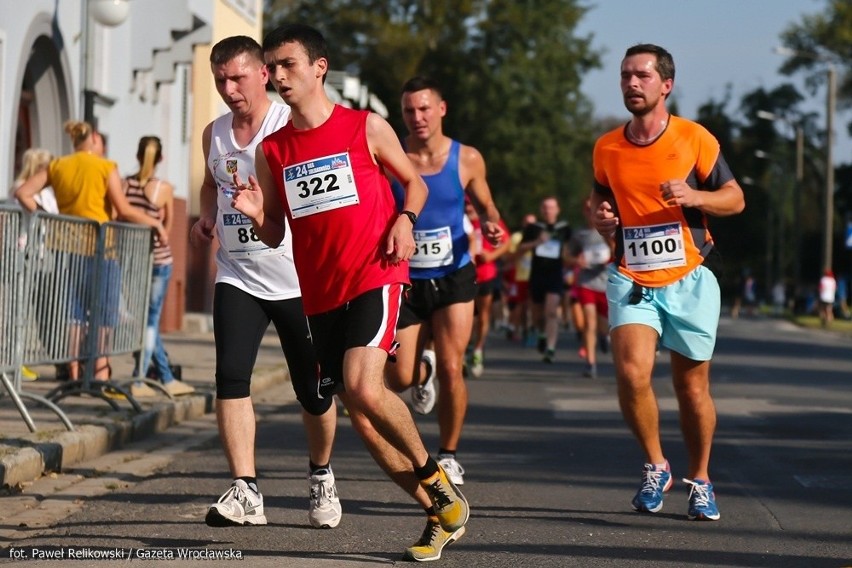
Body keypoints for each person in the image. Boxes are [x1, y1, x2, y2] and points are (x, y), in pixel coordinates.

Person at [232, 24, 469, 562]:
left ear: (320, 67)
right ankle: (441, 511)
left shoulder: (364, 126)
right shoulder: (273, 150)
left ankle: (436, 483)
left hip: (375, 273)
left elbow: (416, 182)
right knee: (363, 416)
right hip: (320, 294)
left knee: (365, 386)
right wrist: (255, 216)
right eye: (272, 67)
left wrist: (405, 219)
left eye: (288, 64)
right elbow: (275, 231)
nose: (278, 75)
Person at [189, 35, 341, 530]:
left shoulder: (288, 126)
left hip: (298, 280)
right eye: (220, 80)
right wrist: (206, 217)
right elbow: (211, 183)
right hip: (237, 274)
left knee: (313, 392)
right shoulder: (213, 133)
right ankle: (246, 489)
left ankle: (320, 474)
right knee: (231, 377)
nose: (229, 88)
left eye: (237, 77)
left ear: (262, 74)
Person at [590, 43, 745, 521]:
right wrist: (600, 219)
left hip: (691, 275)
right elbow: (597, 201)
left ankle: (701, 477)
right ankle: (656, 464)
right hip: (632, 275)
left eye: (642, 76)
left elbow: (735, 199)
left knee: (690, 388)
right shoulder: (607, 146)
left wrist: (695, 194)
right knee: (632, 372)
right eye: (625, 76)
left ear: (666, 85)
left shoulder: (694, 138)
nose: (632, 84)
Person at [386, 75, 504, 486]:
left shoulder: (467, 158)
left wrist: (490, 225)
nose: (416, 117)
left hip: (454, 272)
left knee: (454, 366)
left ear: (441, 109)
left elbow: (487, 207)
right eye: (408, 111)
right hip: (405, 278)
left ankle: (449, 455)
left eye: (424, 108)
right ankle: (423, 373)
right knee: (398, 378)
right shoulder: (391, 156)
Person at [16, 121, 169, 382]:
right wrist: (155, 223)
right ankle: (98, 374)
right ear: (95, 138)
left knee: (74, 315)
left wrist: (48, 217)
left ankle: (75, 374)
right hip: (102, 248)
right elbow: (123, 209)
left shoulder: (57, 165)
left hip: (65, 249)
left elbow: (23, 192)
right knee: (104, 314)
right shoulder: (105, 166)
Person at [123, 136, 194, 398]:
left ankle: (159, 376)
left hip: (132, 260)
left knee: (142, 321)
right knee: (150, 322)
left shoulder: (125, 185)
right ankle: (143, 379)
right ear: (161, 158)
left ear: (138, 155)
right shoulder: (164, 188)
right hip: (159, 260)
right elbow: (168, 227)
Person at [518, 196, 572, 363]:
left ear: (557, 210)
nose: (548, 211)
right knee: (537, 314)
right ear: (541, 210)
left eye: (551, 207)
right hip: (537, 274)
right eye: (545, 208)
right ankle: (541, 332)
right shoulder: (534, 228)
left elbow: (571, 249)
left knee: (551, 311)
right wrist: (537, 242)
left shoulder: (564, 228)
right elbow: (520, 248)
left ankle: (550, 348)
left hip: (555, 274)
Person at [564, 199, 612, 379]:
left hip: (606, 282)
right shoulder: (579, 234)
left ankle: (603, 336)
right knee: (589, 322)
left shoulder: (610, 230)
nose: (591, 212)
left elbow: (618, 252)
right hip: (586, 282)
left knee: (603, 324)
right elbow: (567, 255)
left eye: (594, 208)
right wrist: (576, 261)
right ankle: (590, 363)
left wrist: (609, 246)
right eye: (587, 209)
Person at [466, 199, 510, 378]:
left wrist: (491, 256)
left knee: (483, 315)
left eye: (471, 205)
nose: (469, 208)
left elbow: (506, 243)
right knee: (468, 318)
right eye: (466, 205)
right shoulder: (460, 219)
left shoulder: (489, 219)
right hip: (465, 276)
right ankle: (464, 348)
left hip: (486, 275)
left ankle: (478, 350)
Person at [505, 213, 537, 345]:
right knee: (521, 305)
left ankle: (533, 329)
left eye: (532, 223)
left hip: (537, 276)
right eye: (527, 223)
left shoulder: (542, 237)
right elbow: (510, 257)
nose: (529, 226)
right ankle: (520, 329)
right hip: (521, 276)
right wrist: (524, 248)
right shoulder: (517, 237)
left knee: (535, 306)